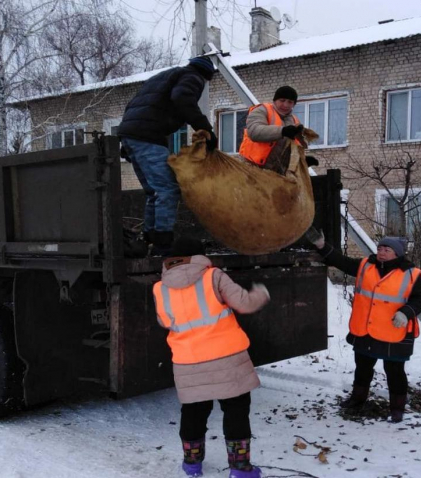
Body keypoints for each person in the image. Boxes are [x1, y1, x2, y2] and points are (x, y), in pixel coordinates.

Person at [152, 237, 270, 478]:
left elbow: (164, 321)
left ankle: (192, 465)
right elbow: (244, 303)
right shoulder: (213, 276)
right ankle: (240, 469)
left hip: (188, 359)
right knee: (236, 410)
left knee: (193, 411)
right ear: (199, 255)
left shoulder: (160, 288)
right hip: (226, 357)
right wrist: (261, 293)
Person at [306, 230, 421, 422]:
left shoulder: (412, 274)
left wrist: (406, 312)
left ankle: (397, 408)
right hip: (366, 330)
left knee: (395, 372)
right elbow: (342, 262)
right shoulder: (366, 265)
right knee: (362, 367)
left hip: (393, 331)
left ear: (397, 253)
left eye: (387, 249)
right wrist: (322, 246)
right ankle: (357, 400)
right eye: (380, 248)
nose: (381, 252)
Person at [118, 56, 218, 256]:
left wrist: (129, 140)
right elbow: (182, 99)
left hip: (133, 135)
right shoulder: (193, 77)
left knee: (153, 191)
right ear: (207, 75)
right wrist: (205, 128)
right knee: (168, 189)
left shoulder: (165, 75)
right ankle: (163, 243)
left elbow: (134, 104)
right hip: (148, 137)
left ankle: (150, 239)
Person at [238, 86, 317, 174]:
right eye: (282, 100)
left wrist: (302, 161)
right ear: (275, 100)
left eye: (290, 102)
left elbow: (293, 148)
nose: (286, 105)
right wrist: (282, 131)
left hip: (276, 173)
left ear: (294, 105)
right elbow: (254, 132)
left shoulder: (294, 121)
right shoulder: (261, 110)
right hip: (251, 168)